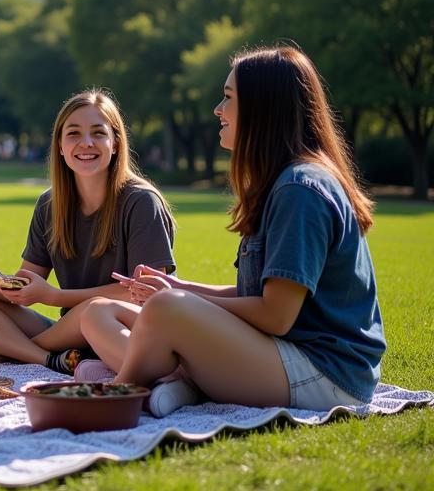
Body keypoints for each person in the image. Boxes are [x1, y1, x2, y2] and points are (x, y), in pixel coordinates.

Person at [81, 45, 385, 417]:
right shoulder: (281, 182)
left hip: (325, 375)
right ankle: (176, 382)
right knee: (100, 312)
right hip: (280, 352)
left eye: (227, 98)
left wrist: (179, 303)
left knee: (165, 310)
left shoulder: (300, 190)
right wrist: (179, 288)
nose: (217, 110)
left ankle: (121, 393)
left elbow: (276, 316)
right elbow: (254, 294)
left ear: (262, 108)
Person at [0, 89, 176, 374]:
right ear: (60, 145)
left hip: (123, 328)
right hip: (70, 331)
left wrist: (55, 297)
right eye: (74, 133)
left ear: (115, 143)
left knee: (93, 309)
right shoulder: (49, 205)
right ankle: (50, 359)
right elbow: (25, 286)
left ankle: (16, 350)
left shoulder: (141, 202)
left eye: (98, 133)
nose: (86, 143)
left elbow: (146, 294)